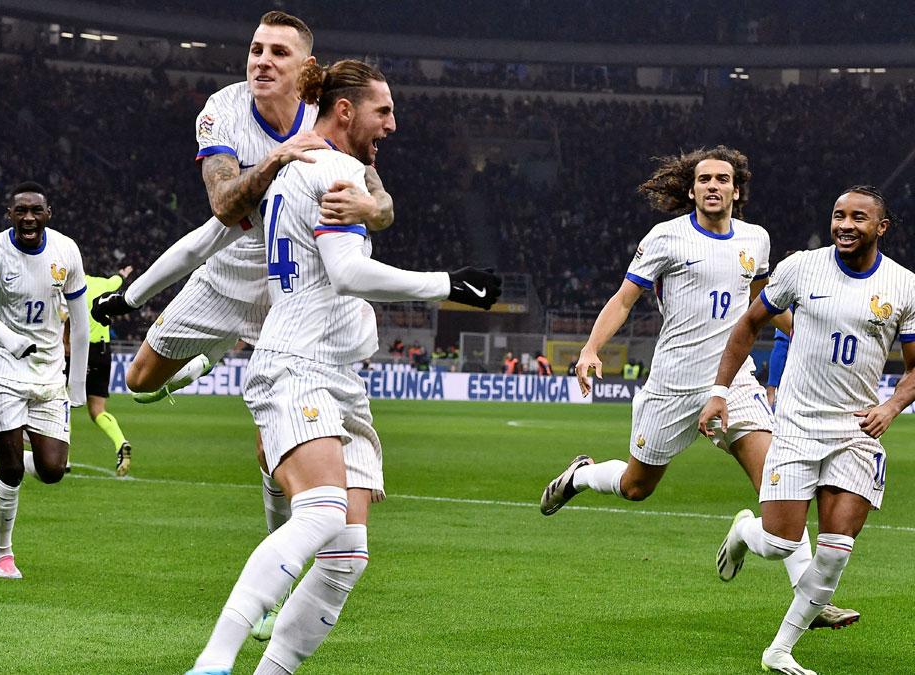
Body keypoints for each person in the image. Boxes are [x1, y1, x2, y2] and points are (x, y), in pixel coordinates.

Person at [185, 59, 501, 675]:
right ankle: (214, 660)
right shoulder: (330, 168)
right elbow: (348, 273)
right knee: (324, 508)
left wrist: (378, 210)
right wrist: (450, 284)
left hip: (339, 375)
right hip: (298, 361)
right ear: (347, 111)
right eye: (383, 111)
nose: (393, 123)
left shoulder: (317, 168)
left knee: (346, 555)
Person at [92, 11, 393, 639]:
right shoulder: (223, 110)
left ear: (306, 70)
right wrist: (281, 156)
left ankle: (277, 578)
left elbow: (382, 201)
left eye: (278, 53)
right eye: (255, 49)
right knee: (142, 380)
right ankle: (212, 357)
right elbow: (225, 204)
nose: (261, 61)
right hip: (227, 267)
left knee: (275, 449)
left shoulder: (332, 118)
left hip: (294, 289)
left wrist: (370, 206)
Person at [539, 146, 857, 629]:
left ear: (736, 190)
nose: (713, 186)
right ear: (691, 190)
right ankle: (580, 475)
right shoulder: (666, 238)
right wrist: (589, 349)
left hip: (733, 385)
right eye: (704, 179)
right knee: (636, 487)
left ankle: (809, 602)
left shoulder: (756, 239)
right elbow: (624, 300)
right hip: (672, 386)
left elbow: (762, 306)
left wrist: (811, 335)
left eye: (722, 179)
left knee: (779, 482)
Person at [698, 186, 913, 675]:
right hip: (795, 426)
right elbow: (747, 326)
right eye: (838, 215)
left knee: (836, 550)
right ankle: (744, 531)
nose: (845, 224)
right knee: (779, 543)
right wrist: (718, 391)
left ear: (881, 227)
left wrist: (893, 406)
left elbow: (914, 369)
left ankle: (779, 650)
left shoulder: (904, 286)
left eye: (859, 217)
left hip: (857, 431)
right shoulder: (800, 267)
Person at [0, 181, 89, 580]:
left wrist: (78, 386)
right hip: (1, 366)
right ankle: (4, 554)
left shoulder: (66, 251)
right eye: (21, 211)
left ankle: (7, 467)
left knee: (53, 469)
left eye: (36, 210)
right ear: (9, 215)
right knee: (13, 470)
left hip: (49, 371)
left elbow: (81, 324)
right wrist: (10, 340)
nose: (29, 217)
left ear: (48, 213)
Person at [67, 267, 134, 476]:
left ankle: (63, 457)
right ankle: (120, 442)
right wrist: (123, 273)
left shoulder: (72, 287)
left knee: (62, 404)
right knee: (98, 409)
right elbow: (118, 280)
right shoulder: (104, 284)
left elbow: (63, 316)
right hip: (104, 351)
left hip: (81, 351)